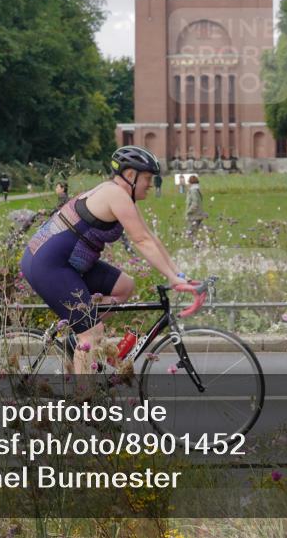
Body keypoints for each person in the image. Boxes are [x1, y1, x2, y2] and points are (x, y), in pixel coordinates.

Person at [21, 146, 198, 376]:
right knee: (92, 334)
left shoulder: (122, 196)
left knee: (125, 286)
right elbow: (141, 240)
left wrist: (179, 275)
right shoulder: (115, 194)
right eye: (147, 178)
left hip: (69, 264)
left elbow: (150, 237)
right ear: (131, 176)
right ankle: (84, 404)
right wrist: (173, 278)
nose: (151, 183)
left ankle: (78, 340)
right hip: (48, 264)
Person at [186, 175, 209, 239]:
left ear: (190, 182)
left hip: (194, 215)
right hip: (199, 214)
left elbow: (195, 203)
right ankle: (200, 246)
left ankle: (199, 247)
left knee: (190, 234)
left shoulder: (193, 191)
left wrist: (188, 211)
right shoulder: (197, 190)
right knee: (194, 233)